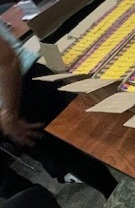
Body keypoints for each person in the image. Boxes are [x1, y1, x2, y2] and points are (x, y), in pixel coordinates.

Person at [0, 27, 117, 199]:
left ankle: (132, 194)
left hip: (22, 93)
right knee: (73, 157)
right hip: (16, 98)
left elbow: (7, 61)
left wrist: (9, 114)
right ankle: (120, 194)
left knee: (88, 148)